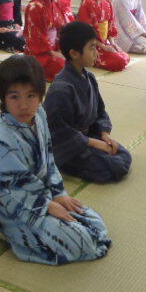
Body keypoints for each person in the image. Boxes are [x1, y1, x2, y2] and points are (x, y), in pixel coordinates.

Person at [0, 54, 111, 265]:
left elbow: (49, 159)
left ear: (41, 95)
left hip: (45, 194)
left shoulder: (39, 115)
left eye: (31, 96)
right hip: (16, 206)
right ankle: (3, 226)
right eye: (14, 97)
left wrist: (58, 194)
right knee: (81, 242)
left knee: (94, 223)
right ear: (3, 97)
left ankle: (39, 228)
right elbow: (12, 188)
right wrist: (47, 206)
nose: (23, 105)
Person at [44, 21, 132, 183]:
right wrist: (95, 144)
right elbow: (59, 132)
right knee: (116, 166)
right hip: (67, 147)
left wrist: (104, 135)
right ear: (74, 53)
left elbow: (100, 111)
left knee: (123, 155)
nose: (96, 53)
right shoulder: (61, 89)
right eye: (92, 48)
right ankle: (68, 165)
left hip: (88, 136)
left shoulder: (89, 78)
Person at [77, 0, 129, 71]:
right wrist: (102, 46)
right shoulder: (86, 2)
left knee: (125, 56)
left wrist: (112, 43)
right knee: (120, 61)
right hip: (91, 45)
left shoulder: (107, 3)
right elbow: (85, 31)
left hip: (104, 43)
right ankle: (90, 57)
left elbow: (111, 26)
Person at [24, 0, 68, 82]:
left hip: (53, 48)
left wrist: (60, 50)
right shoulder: (35, 7)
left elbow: (60, 30)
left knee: (75, 63)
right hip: (40, 54)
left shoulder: (55, 3)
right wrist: (53, 52)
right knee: (66, 68)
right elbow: (37, 38)